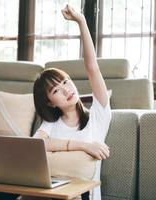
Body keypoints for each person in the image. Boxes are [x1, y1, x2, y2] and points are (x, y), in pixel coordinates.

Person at [33, 4, 112, 200]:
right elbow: (36, 144)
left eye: (66, 82)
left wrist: (81, 21)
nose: (66, 89)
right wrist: (83, 146)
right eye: (56, 90)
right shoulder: (51, 124)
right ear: (50, 103)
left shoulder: (98, 116)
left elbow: (92, 68)